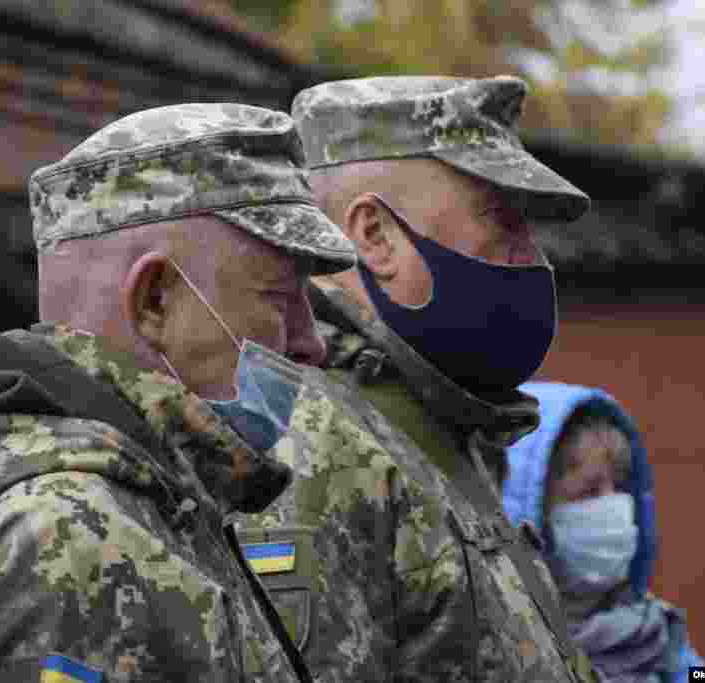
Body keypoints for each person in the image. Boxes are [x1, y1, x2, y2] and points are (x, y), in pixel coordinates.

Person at [0, 103, 357, 682]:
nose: (312, 342)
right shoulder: (64, 545)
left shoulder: (163, 495)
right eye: (278, 297)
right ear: (155, 301)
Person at [242, 76, 599, 682]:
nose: (532, 257)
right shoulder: (305, 451)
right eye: (502, 220)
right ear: (375, 236)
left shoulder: (442, 431)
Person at [503, 381, 705, 683]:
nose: (613, 504)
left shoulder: (652, 634)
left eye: (620, 485)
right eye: (588, 490)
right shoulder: (496, 652)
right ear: (532, 513)